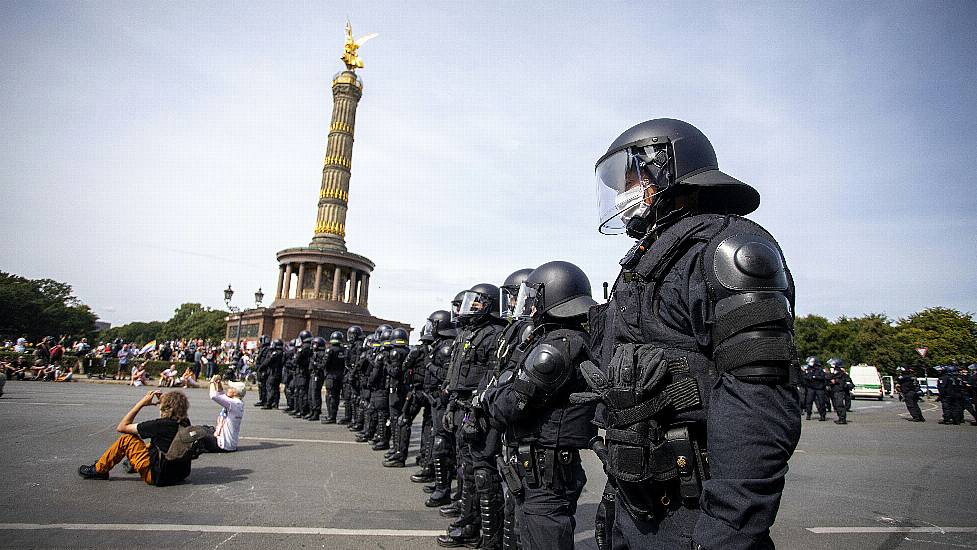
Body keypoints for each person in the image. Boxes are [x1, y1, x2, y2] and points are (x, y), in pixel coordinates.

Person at [587, 118, 800, 549]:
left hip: (694, 515)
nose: (621, 192)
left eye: (629, 177)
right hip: (637, 502)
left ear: (661, 167)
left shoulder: (727, 251)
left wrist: (728, 530)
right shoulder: (648, 261)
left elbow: (758, 402)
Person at [483, 261, 598, 550]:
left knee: (543, 537)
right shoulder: (565, 340)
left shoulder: (556, 349)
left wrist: (495, 395)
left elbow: (504, 407)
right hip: (542, 468)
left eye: (535, 297)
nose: (529, 305)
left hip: (545, 473)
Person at [437, 283, 505, 548]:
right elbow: (455, 377)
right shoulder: (467, 333)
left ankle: (489, 537)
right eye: (470, 303)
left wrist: (476, 409)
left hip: (481, 412)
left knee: (483, 475)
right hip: (461, 407)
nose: (471, 308)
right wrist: (452, 407)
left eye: (477, 303)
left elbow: (493, 376)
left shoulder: (494, 334)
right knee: (466, 470)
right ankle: (468, 523)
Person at [78, 390, 193, 486]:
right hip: (179, 475)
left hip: (158, 477)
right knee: (154, 444)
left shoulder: (159, 425)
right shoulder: (185, 422)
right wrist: (167, 399)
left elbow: (122, 426)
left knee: (127, 439)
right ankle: (133, 464)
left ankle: (99, 469)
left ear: (166, 408)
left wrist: (142, 403)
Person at [205, 375, 245, 452]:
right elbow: (222, 395)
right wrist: (219, 383)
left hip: (223, 444)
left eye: (230, 388)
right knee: (207, 429)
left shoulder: (233, 403)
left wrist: (212, 382)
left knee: (197, 433)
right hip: (229, 443)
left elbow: (214, 396)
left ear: (235, 392)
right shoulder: (237, 402)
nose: (228, 389)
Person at [340, 326, 365, 425]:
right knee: (347, 397)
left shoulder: (358, 345)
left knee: (355, 398)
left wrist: (353, 373)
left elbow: (358, 361)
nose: (350, 337)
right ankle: (348, 417)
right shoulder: (351, 345)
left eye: (352, 334)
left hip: (355, 374)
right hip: (349, 372)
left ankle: (356, 420)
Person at [322, 331, 348, 424]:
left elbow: (325, 364)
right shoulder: (344, 350)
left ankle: (331, 416)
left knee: (330, 397)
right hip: (341, 376)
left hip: (331, 376)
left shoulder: (330, 350)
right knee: (336, 397)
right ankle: (333, 415)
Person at [261, 339, 285, 410]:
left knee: (270, 387)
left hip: (273, 372)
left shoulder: (276, 353)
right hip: (278, 373)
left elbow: (268, 361)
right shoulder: (282, 352)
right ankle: (275, 403)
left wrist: (261, 368)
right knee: (276, 388)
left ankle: (269, 403)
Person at [826, 359, 850, 424]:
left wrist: (835, 381)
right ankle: (840, 418)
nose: (831, 366)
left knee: (839, 405)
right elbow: (828, 378)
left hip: (839, 390)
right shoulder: (834, 372)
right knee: (836, 405)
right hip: (834, 390)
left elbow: (843, 381)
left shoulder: (841, 372)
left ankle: (843, 419)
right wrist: (831, 374)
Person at [252, 335, 272, 407]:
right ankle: (262, 399)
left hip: (264, 370)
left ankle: (265, 400)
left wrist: (261, 368)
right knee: (261, 386)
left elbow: (266, 360)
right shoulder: (262, 348)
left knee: (264, 386)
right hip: (260, 369)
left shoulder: (267, 349)